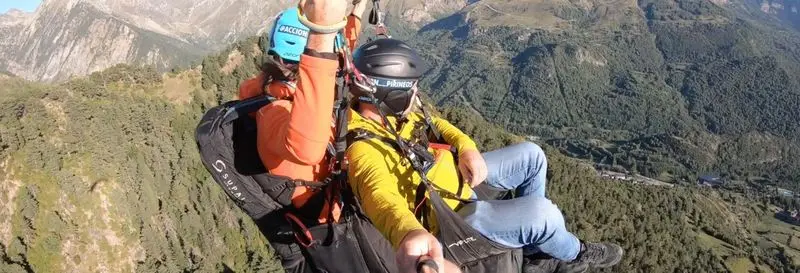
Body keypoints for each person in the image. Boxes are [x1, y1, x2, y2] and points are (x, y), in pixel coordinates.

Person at [345, 38, 624, 273]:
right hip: (450, 218)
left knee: (532, 156)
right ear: (390, 94)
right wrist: (409, 233)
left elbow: (436, 124)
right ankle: (575, 255)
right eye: (412, 87)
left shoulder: (387, 114)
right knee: (545, 216)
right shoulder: (363, 149)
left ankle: (532, 253)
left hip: (456, 181)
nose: (417, 93)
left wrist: (467, 147)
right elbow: (379, 197)